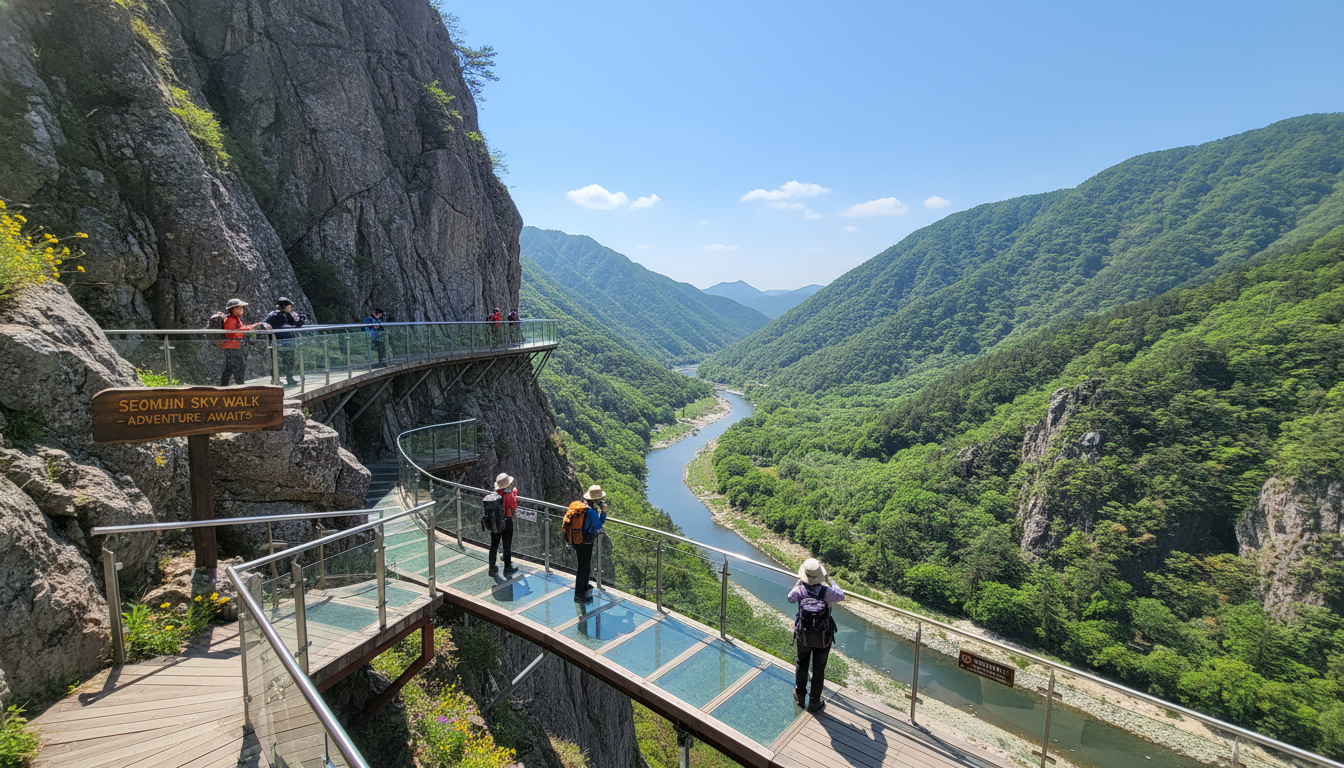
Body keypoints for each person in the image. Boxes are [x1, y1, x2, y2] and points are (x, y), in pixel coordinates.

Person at [788, 558, 844, 713]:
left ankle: (799, 695)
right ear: (820, 576)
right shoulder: (828, 592)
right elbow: (842, 595)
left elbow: (790, 598)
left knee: (802, 663)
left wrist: (798, 583)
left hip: (803, 635)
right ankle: (814, 702)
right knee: (819, 668)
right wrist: (829, 579)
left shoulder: (800, 590)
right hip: (823, 636)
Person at [218, 299, 269, 386]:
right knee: (239, 367)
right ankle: (240, 385)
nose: (242, 309)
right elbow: (231, 332)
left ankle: (224, 385)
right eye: (239, 308)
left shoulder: (235, 318)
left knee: (230, 368)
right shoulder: (231, 319)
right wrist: (250, 328)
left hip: (233, 346)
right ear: (233, 309)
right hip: (232, 347)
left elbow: (242, 327)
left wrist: (254, 325)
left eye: (242, 308)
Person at [573, 485, 607, 603]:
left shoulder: (583, 505)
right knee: (583, 567)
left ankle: (584, 586)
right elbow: (598, 525)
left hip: (579, 539)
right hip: (585, 541)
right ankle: (579, 594)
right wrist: (604, 513)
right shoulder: (591, 511)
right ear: (596, 500)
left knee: (584, 565)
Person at [263, 297, 307, 385]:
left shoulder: (272, 314)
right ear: (285, 308)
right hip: (285, 342)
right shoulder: (284, 315)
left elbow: (263, 324)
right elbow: (297, 324)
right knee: (289, 361)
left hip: (276, 342)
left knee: (276, 361)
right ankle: (288, 378)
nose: (290, 310)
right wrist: (303, 317)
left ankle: (275, 379)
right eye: (289, 307)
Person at [488, 472, 519, 577]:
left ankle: (492, 567)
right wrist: (514, 494)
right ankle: (507, 567)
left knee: (494, 544)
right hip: (506, 521)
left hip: (495, 521)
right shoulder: (509, 495)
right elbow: (513, 506)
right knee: (506, 545)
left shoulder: (495, 494)